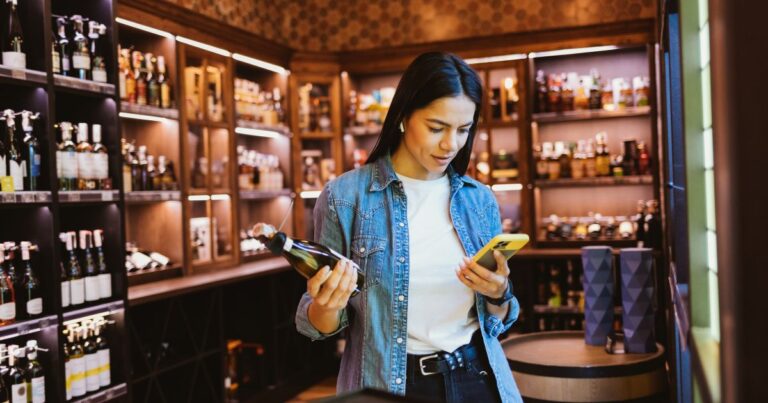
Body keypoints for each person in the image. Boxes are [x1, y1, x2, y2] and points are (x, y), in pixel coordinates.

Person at [295, 52, 523, 402]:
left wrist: (499, 292)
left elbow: (498, 322)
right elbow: (318, 326)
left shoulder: (479, 200)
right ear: (403, 116)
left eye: (463, 130)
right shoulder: (345, 197)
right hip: (390, 384)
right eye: (437, 128)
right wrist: (327, 305)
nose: (451, 144)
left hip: (478, 378)